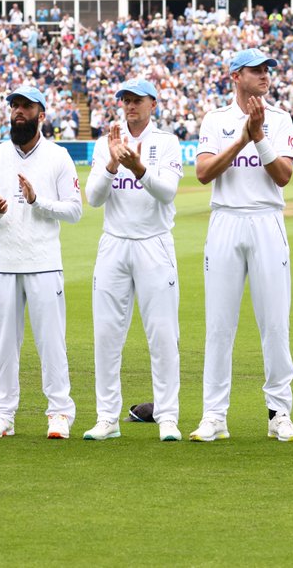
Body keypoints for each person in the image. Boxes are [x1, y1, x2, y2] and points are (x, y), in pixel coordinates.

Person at [190, 48, 293, 442]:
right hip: (226, 219)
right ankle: (214, 416)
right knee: (219, 325)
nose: (264, 76)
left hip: (267, 221)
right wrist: (242, 140)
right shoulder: (216, 119)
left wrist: (261, 140)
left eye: (267, 70)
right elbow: (203, 173)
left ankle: (279, 413)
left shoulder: (281, 118)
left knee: (275, 322)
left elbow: (283, 175)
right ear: (235, 75)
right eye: (256, 71)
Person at [0, 86, 83, 439]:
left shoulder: (58, 157)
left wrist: (38, 201)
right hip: (3, 263)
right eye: (15, 106)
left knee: (51, 342)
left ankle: (59, 413)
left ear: (42, 114)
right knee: (4, 344)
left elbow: (75, 210)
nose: (18, 112)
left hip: (44, 262)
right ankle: (2, 414)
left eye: (26, 107)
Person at [82, 79, 184, 443]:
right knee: (107, 334)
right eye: (125, 100)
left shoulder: (167, 142)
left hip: (153, 244)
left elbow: (167, 192)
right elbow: (93, 198)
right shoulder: (104, 141)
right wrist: (112, 162)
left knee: (162, 333)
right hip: (114, 244)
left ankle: (168, 416)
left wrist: (139, 167)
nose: (130, 106)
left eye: (137, 100)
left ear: (152, 104)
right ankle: (107, 417)